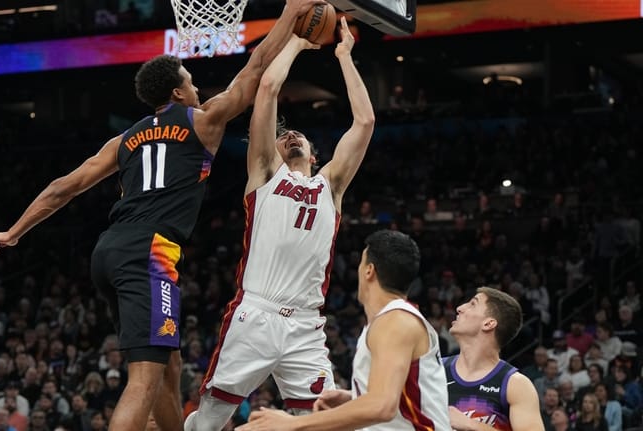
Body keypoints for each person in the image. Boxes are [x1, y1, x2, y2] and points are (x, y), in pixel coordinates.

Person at [0, 1, 324, 430]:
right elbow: (254, 70)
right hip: (151, 252)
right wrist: (290, 14)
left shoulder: (125, 139)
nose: (198, 90)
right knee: (144, 378)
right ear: (178, 93)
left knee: (168, 363)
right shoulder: (204, 121)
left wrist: (14, 231)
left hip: (109, 250)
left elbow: (62, 186)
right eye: (192, 83)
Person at [186, 18, 375, 431]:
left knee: (325, 420)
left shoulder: (332, 186)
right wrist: (296, 40)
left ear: (315, 155)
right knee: (209, 421)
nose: (292, 137)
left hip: (306, 324)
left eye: (300, 136)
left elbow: (364, 123)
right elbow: (268, 88)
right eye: (283, 136)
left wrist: (343, 56)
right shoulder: (265, 176)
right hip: (256, 312)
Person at [235, 230, 451, 430]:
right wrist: (354, 396)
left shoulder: (394, 322)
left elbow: (382, 406)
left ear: (369, 271)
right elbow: (404, 394)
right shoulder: (394, 320)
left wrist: (294, 424)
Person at [444, 287, 545, 431]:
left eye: (473, 304)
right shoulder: (433, 370)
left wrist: (470, 425)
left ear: (488, 323)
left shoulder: (515, 384)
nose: (460, 308)